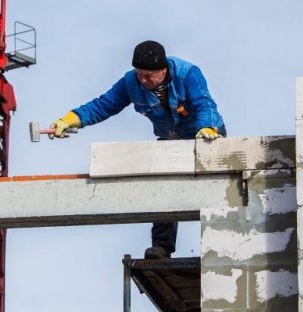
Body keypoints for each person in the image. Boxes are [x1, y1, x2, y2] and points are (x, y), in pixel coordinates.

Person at [49, 40, 226, 259]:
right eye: (139, 74)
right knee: (164, 187)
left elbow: (203, 103)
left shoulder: (187, 74)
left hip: (205, 134)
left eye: (148, 76)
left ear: (163, 70)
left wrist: (207, 127)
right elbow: (103, 105)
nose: (143, 80)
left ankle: (223, 244)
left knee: (216, 188)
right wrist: (70, 119)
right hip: (170, 140)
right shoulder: (130, 82)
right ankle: (162, 247)